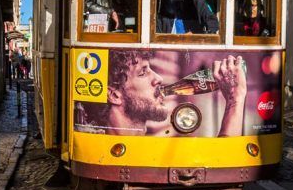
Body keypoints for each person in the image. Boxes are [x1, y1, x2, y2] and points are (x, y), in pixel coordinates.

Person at [100, 50, 247, 137]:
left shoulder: (143, 147)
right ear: (114, 95)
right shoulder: (103, 150)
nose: (159, 79)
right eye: (143, 73)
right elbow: (219, 169)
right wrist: (235, 100)